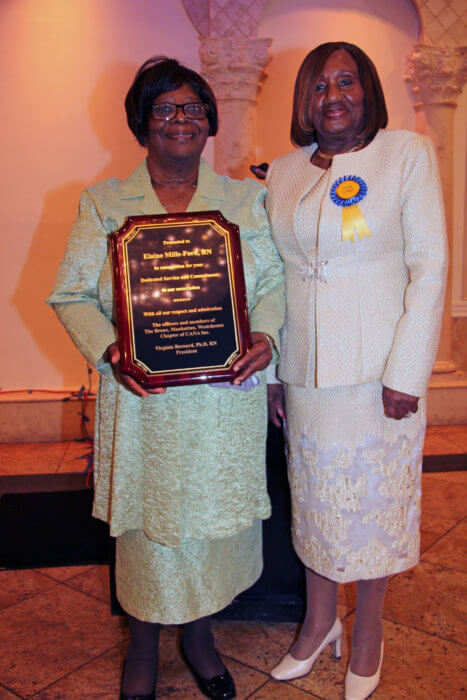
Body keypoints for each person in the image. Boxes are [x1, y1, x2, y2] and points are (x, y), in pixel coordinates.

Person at [47, 57, 285, 700]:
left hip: (220, 396)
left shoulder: (243, 201)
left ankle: (201, 638)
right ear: (142, 123)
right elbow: (71, 295)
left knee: (210, 523)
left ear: (209, 122)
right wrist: (110, 351)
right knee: (149, 530)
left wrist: (263, 337)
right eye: (165, 108)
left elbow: (270, 283)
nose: (181, 120)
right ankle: (144, 645)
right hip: (143, 398)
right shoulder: (103, 204)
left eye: (193, 108)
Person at [265, 42, 447, 700]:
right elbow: (275, 280)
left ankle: (366, 633)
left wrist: (407, 371)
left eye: (345, 81)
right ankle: (318, 626)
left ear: (367, 90)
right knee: (314, 505)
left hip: (378, 377)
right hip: (308, 376)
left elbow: (429, 266)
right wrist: (275, 374)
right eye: (317, 86)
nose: (332, 95)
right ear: (302, 103)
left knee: (373, 510)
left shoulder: (405, 154)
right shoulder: (280, 173)